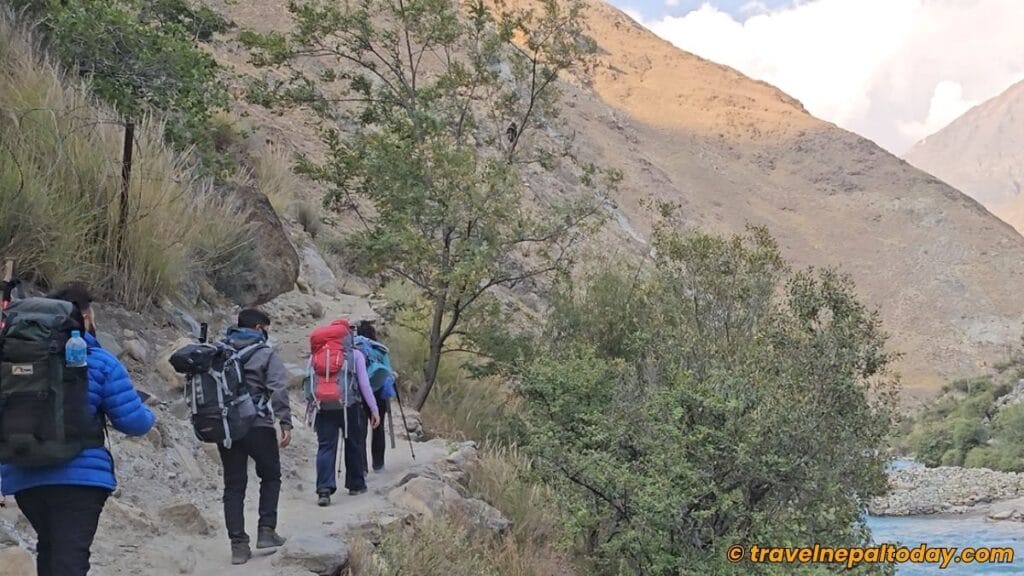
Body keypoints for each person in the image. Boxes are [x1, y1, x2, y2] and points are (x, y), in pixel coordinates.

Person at [0, 284, 155, 576]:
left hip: (24, 478)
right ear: (84, 315)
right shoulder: (97, 360)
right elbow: (134, 423)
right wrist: (150, 414)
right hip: (80, 480)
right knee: (70, 560)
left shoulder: (11, 363)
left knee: (50, 549)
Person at [218, 308, 293, 565]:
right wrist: (285, 422)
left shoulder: (220, 351)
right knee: (271, 475)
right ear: (259, 328)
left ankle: (238, 546)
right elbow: (278, 388)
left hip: (226, 428)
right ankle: (266, 531)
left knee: (234, 486)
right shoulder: (264, 353)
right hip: (258, 424)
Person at [308, 320, 380, 507]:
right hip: (349, 405)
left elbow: (309, 382)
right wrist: (374, 409)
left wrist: (310, 408)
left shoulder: (316, 354)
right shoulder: (355, 354)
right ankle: (356, 484)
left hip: (322, 405)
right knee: (353, 443)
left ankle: (324, 489)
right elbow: (364, 384)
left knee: (325, 446)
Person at [356, 321, 394, 473]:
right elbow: (389, 373)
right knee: (378, 428)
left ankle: (362, 467)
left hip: (359, 394)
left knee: (360, 431)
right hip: (379, 393)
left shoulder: (355, 349)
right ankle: (378, 464)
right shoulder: (380, 350)